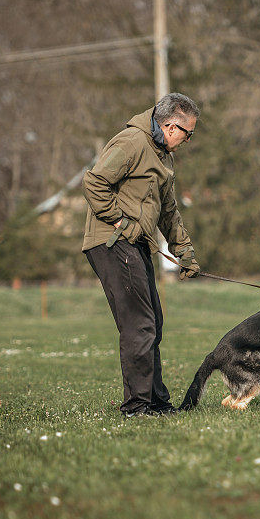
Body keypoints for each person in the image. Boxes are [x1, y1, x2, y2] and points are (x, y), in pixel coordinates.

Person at [82, 93, 201, 417]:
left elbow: (169, 212)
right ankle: (137, 407)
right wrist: (120, 220)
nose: (187, 140)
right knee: (140, 324)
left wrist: (185, 252)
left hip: (134, 243)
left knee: (153, 323)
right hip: (111, 241)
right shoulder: (133, 141)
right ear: (170, 125)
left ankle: (157, 403)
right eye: (187, 133)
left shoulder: (164, 156)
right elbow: (94, 183)